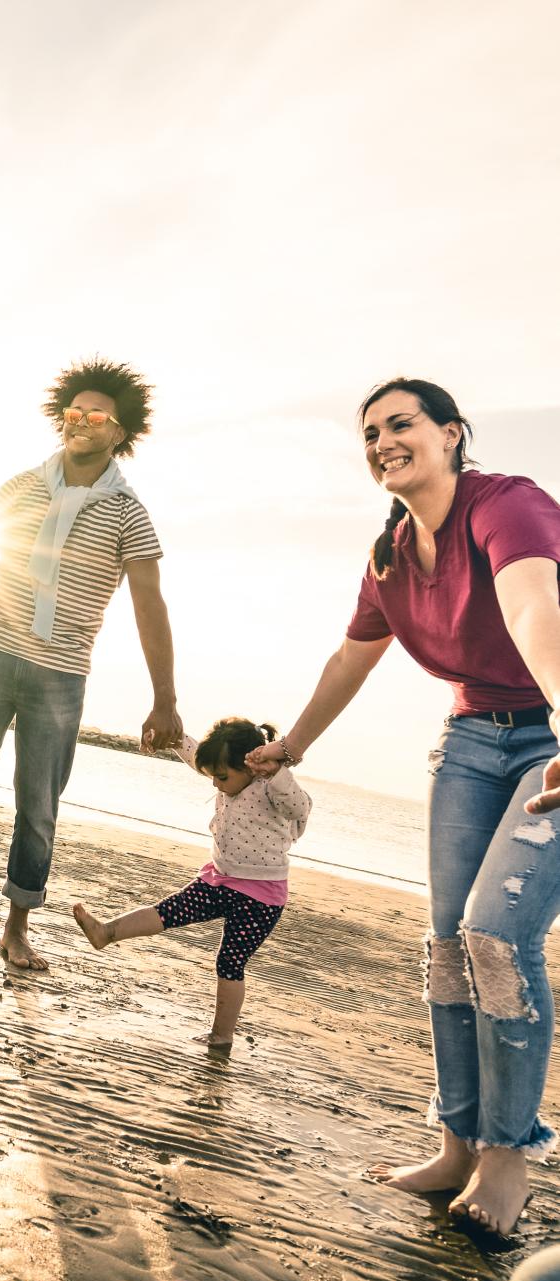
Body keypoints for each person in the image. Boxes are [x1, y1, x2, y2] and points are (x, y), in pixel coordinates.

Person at [244, 378, 560, 1237]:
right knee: (450, 945)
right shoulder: (388, 557)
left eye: (403, 423)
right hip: (471, 743)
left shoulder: (508, 507)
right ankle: (457, 1144)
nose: (384, 439)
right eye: (372, 431)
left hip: (551, 735)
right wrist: (295, 743)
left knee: (499, 935)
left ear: (453, 433)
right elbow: (352, 659)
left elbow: (534, 604)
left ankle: (506, 1160)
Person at [0, 358, 183, 971]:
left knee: (39, 806)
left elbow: (149, 604)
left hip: (60, 674)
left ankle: (17, 928)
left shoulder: (130, 513)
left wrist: (165, 697)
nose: (81, 422)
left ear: (119, 431)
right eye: (73, 412)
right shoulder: (20, 486)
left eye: (97, 415)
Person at [73, 717, 310, 1051]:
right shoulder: (228, 774)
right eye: (212, 775)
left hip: (261, 897)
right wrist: (172, 736)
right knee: (167, 911)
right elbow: (195, 754)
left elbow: (301, 806)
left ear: (253, 767)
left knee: (230, 961)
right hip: (219, 880)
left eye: (222, 777)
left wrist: (277, 771)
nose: (215, 784)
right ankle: (106, 933)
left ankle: (222, 1036)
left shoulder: (271, 786)